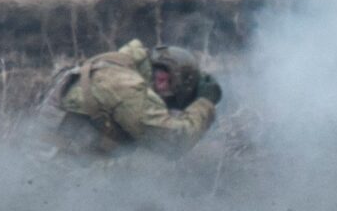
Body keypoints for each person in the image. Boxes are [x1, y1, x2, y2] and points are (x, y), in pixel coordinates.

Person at [44, 40, 222, 157]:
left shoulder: (113, 67)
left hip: (50, 165)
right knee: (148, 166)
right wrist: (204, 103)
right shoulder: (126, 85)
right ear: (164, 80)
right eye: (170, 101)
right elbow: (173, 143)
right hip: (57, 175)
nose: (163, 106)